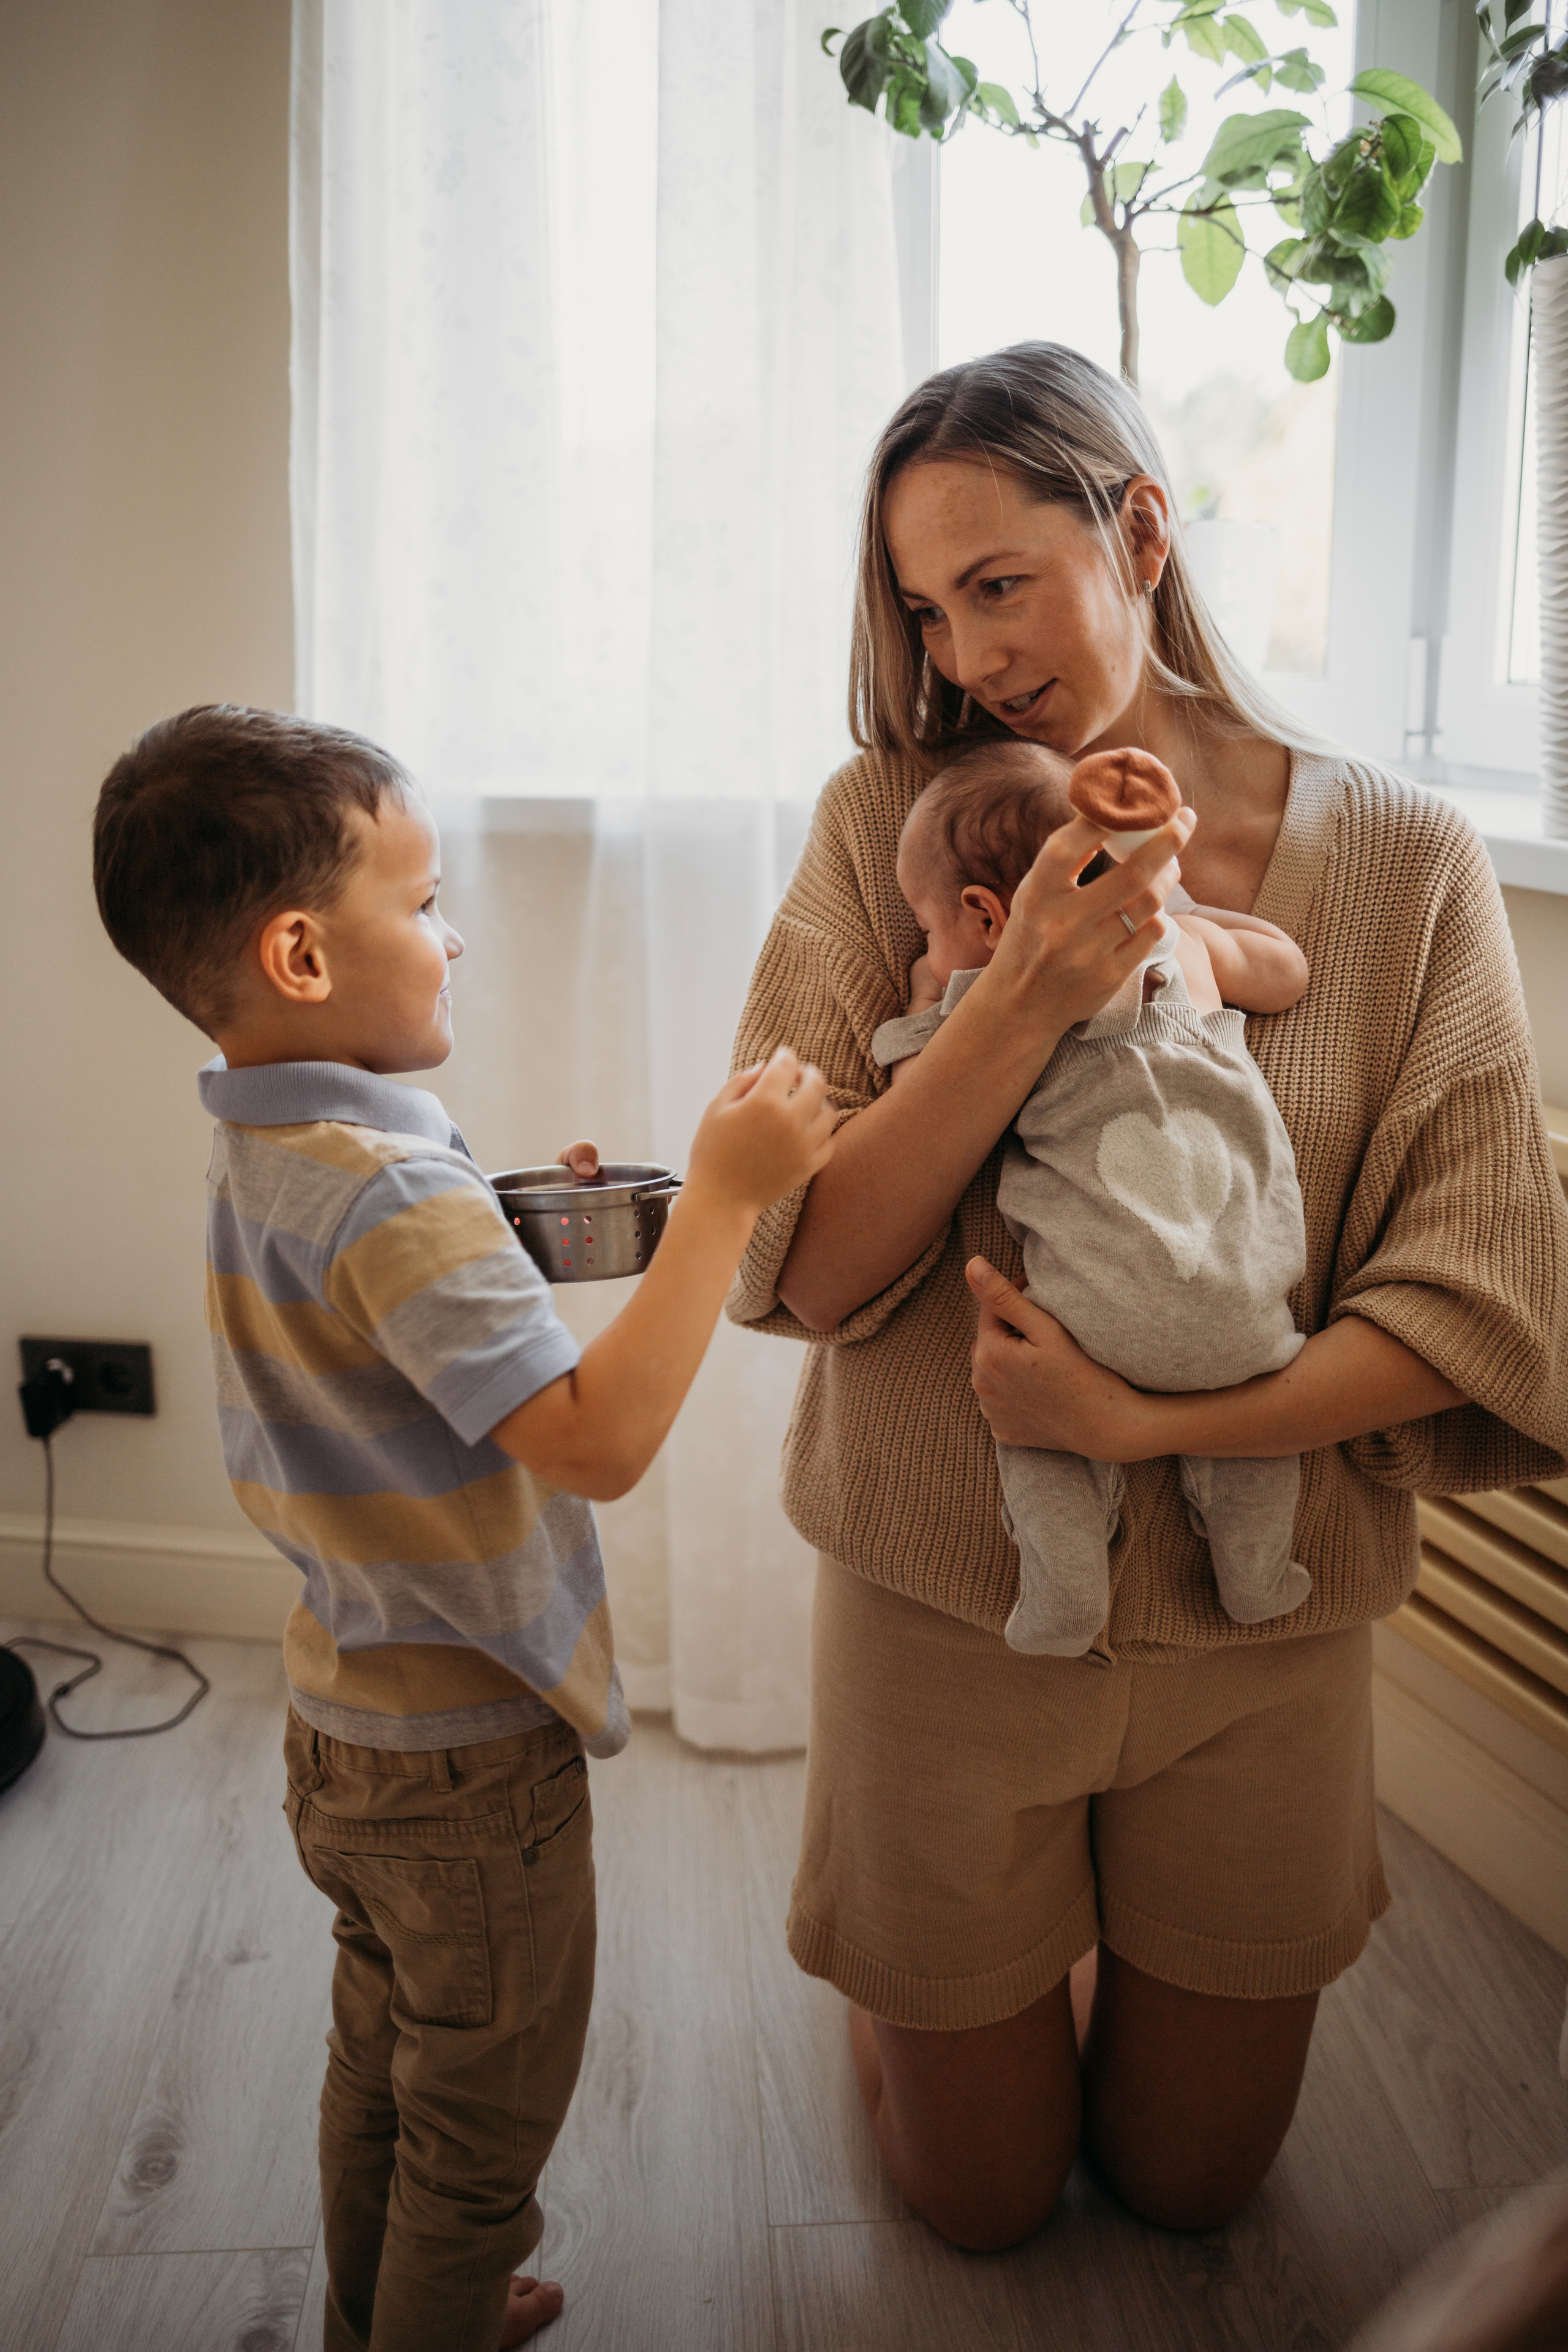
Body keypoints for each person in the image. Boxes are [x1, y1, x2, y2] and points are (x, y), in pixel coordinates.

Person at [727, 342, 1568, 2251]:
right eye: (926, 613)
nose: (962, 658)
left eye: (997, 586)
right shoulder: (894, 826)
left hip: (1258, 1626)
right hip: (953, 1593)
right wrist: (1019, 987)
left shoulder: (1404, 863)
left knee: (1195, 2190)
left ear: (1143, 530)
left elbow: (1479, 1286)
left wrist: (1146, 1429)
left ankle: (1043, 1959)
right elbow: (805, 1262)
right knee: (980, 2207)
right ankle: (952, 1976)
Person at [91, 704, 834, 2352]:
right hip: (468, 1762)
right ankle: (431, 2306)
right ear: (299, 952)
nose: (452, 936)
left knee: (386, 2061)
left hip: (346, 1729)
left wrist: (512, 1233)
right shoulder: (388, 1190)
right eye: (422, 904)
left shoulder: (271, 1142)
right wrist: (721, 1194)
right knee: (481, 2133)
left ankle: (387, 2313)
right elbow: (601, 1442)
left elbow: (385, 1322)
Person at [871, 736, 1313, 1654]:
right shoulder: (1186, 948)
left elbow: (908, 1105)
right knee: (1255, 1437)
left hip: (1089, 1321)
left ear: (987, 916)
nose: (928, 947)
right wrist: (1185, 909)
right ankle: (1258, 1574)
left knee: (1039, 1434)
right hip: (1246, 1307)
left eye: (929, 926)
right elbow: (1286, 973)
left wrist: (927, 994)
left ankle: (1066, 1595)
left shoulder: (990, 999)